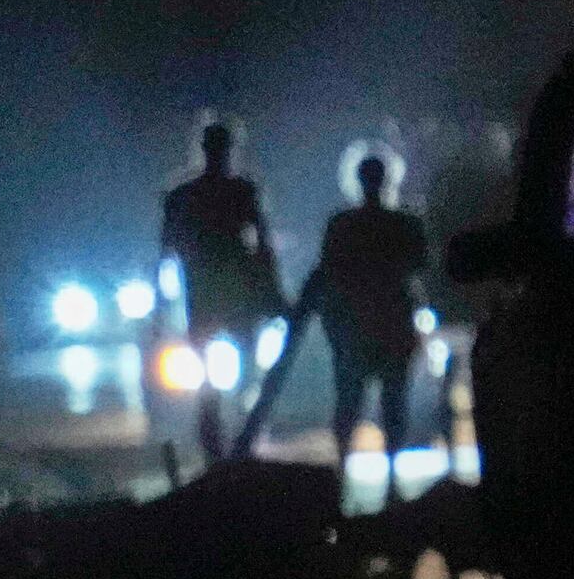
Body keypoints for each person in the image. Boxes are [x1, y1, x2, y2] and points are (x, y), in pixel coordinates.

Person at [158, 118, 284, 452]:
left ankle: (218, 437)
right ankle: (230, 433)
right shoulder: (240, 192)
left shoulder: (184, 195)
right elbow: (263, 245)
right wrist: (273, 293)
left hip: (207, 291)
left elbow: (166, 250)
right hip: (232, 291)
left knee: (211, 375)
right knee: (237, 371)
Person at [299, 154, 432, 465]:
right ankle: (390, 479)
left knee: (350, 402)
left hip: (354, 327)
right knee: (392, 402)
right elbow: (420, 265)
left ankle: (342, 471)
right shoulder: (405, 224)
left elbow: (327, 273)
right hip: (392, 324)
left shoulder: (342, 225)